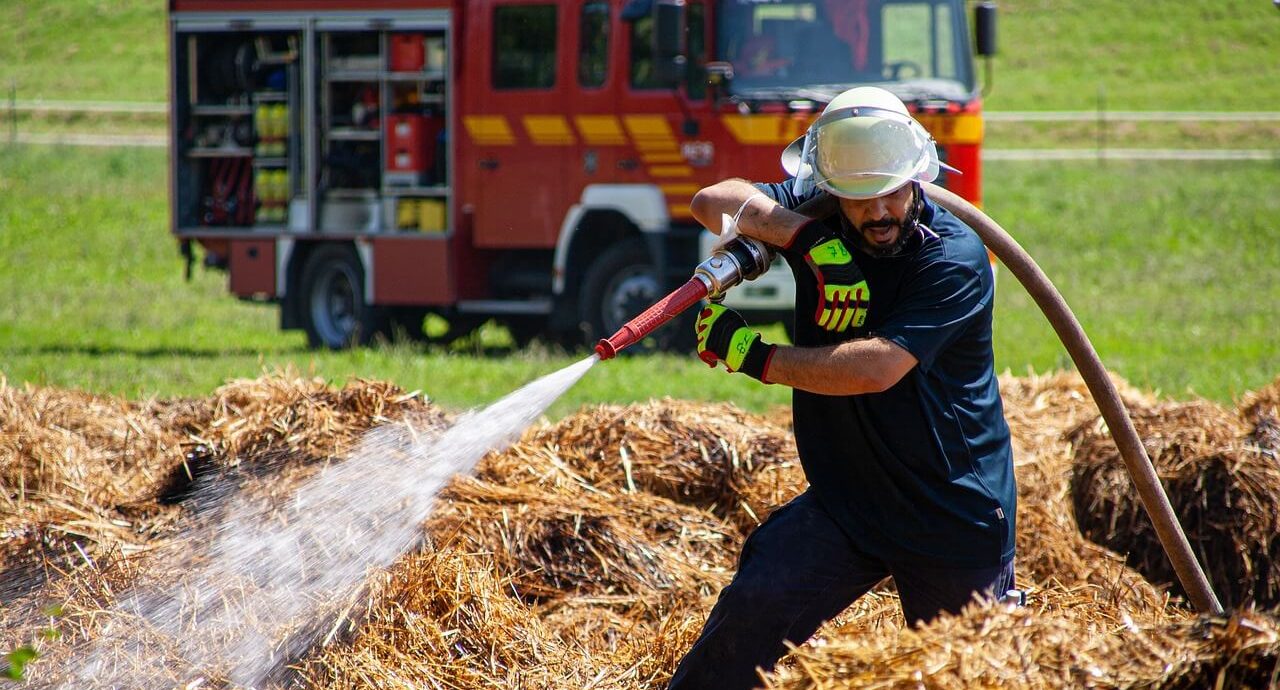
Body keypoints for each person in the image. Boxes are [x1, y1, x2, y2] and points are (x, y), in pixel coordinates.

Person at [670, 86, 1017, 690]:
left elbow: (876, 368)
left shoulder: (953, 257)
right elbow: (710, 201)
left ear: (916, 177)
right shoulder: (822, 213)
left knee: (965, 677)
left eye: (890, 192)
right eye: (859, 198)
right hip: (847, 501)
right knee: (745, 622)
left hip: (950, 512)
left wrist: (755, 355)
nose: (878, 212)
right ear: (830, 190)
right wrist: (807, 239)